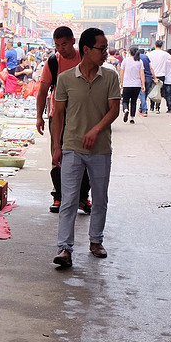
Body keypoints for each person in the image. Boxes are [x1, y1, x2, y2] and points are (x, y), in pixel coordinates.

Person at [51, 28, 120, 269]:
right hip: (71, 147)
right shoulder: (66, 78)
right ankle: (65, 249)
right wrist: (56, 147)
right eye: (101, 48)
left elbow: (114, 110)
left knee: (100, 197)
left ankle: (96, 241)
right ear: (87, 50)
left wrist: (96, 130)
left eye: (106, 48)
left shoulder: (110, 76)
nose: (105, 53)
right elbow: (58, 115)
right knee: (69, 200)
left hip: (100, 149)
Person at [36, 26, 91, 215]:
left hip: (83, 116)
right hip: (58, 115)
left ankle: (83, 197)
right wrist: (39, 117)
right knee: (57, 155)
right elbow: (43, 90)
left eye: (64, 44)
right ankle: (59, 196)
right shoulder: (53, 62)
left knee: (84, 155)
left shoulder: (85, 59)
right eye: (57, 45)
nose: (60, 49)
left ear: (73, 42)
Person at [119, 49, 145, 123]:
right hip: (137, 85)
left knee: (125, 100)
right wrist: (143, 84)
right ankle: (132, 118)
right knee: (134, 101)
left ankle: (126, 110)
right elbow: (142, 74)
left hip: (127, 84)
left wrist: (121, 82)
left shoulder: (125, 61)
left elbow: (122, 72)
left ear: (129, 52)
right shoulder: (140, 61)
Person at [146, 41, 169, 114]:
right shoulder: (165, 54)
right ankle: (157, 108)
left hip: (152, 75)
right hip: (161, 75)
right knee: (158, 92)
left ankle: (152, 107)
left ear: (155, 45)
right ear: (161, 46)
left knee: (152, 91)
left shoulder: (150, 54)